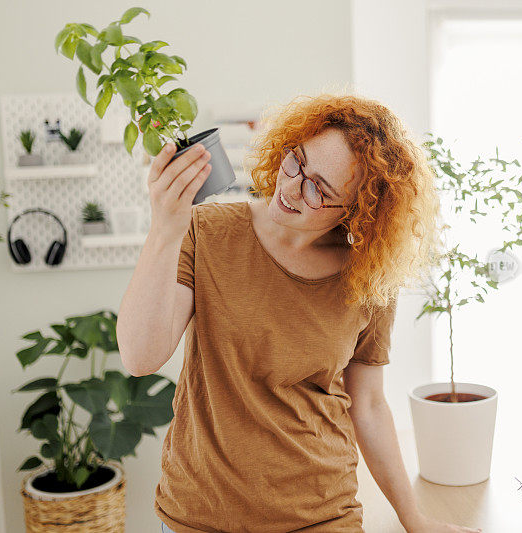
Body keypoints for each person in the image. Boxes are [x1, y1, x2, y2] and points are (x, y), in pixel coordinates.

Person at [117, 93, 482, 533]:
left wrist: (414, 519)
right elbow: (140, 357)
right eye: (297, 162)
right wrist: (165, 228)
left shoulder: (368, 277)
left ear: (358, 212)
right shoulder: (206, 232)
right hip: (199, 515)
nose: (290, 187)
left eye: (319, 189)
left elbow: (367, 405)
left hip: (321, 513)